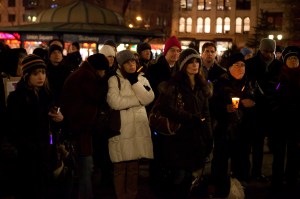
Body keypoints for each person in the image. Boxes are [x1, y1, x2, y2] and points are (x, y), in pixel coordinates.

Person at [152, 48, 213, 198]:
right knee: (178, 177)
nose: (194, 64)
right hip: (178, 138)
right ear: (183, 65)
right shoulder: (174, 85)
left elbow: (206, 114)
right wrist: (191, 118)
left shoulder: (202, 86)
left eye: (196, 61)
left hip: (197, 138)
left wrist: (209, 136)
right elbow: (168, 109)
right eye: (190, 62)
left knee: (192, 177)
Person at [6, 54, 64, 199]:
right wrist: (29, 146)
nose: (41, 77)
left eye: (43, 72)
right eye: (36, 73)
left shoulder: (48, 95)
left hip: (48, 152)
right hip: (28, 156)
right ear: (26, 75)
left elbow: (54, 125)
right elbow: (13, 128)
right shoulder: (17, 98)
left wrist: (59, 119)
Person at [61, 53, 110, 199]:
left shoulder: (82, 72)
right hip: (81, 127)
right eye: (103, 71)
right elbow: (96, 96)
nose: (104, 73)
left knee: (84, 165)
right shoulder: (86, 76)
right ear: (98, 69)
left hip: (79, 126)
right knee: (85, 166)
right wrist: (104, 82)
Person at [107, 50, 154, 199]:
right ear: (121, 65)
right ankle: (121, 196)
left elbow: (149, 98)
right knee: (120, 167)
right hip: (122, 129)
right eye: (127, 62)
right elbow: (114, 102)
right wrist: (137, 101)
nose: (131, 64)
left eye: (133, 61)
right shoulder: (114, 79)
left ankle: (132, 195)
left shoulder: (141, 79)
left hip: (137, 128)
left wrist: (135, 83)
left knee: (134, 167)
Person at [209, 52, 257, 197]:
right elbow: (211, 106)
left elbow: (260, 103)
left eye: (243, 65)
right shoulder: (219, 83)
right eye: (237, 65)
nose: (240, 68)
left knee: (242, 161)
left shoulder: (250, 83)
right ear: (229, 67)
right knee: (220, 161)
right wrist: (224, 108)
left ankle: (240, 189)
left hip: (244, 131)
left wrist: (253, 105)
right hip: (224, 130)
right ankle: (219, 190)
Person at [245, 38, 283, 182]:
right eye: (264, 51)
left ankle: (277, 175)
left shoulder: (279, 65)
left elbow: (282, 84)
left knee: (277, 146)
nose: (267, 54)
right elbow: (247, 83)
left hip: (274, 109)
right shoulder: (251, 64)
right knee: (257, 144)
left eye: (269, 51)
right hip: (257, 109)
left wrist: (276, 90)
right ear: (260, 50)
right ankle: (255, 172)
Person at [270, 50, 300, 190]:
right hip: (281, 120)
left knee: (294, 152)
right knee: (279, 152)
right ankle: (277, 179)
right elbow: (274, 94)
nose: (293, 60)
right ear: (285, 61)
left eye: (295, 58)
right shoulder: (280, 76)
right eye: (290, 58)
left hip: (296, 121)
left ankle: (291, 178)